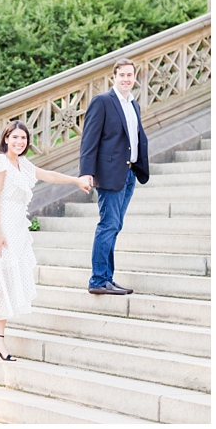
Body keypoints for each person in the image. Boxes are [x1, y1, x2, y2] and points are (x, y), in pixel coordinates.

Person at [0, 120, 93, 361]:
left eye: (23, 138)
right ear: (6, 139)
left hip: (18, 229)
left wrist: (76, 180)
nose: (19, 142)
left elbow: (50, 175)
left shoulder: (23, 164)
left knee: (7, 282)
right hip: (1, 227)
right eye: (14, 137)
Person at [79, 57, 150, 295]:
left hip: (129, 173)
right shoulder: (102, 102)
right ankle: (98, 280)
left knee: (115, 225)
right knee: (108, 224)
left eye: (130, 75)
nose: (127, 79)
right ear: (114, 77)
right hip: (109, 173)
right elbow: (89, 141)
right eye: (122, 75)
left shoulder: (133, 104)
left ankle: (107, 278)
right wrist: (87, 172)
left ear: (135, 77)